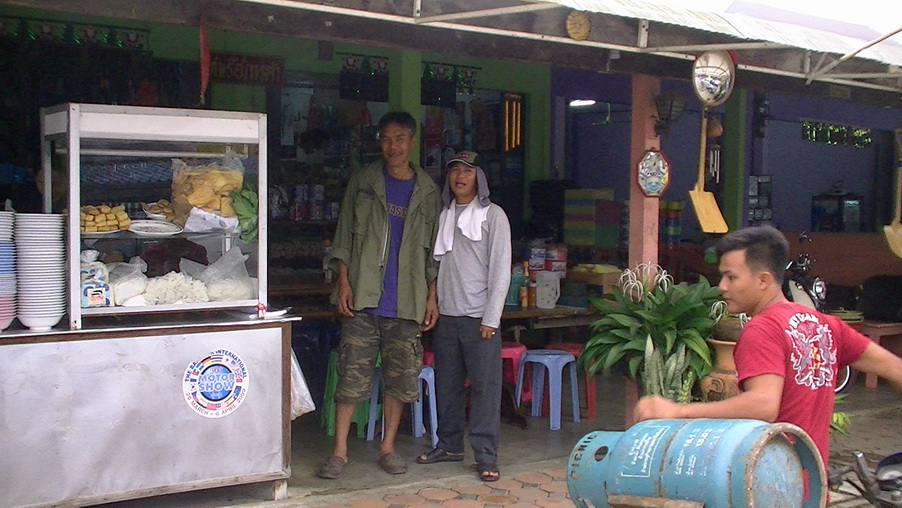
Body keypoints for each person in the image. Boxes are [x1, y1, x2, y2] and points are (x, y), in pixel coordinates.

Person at [635, 225, 902, 470]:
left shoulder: (762, 329)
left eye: (731, 277)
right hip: (812, 486)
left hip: (771, 481)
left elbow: (763, 405)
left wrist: (678, 411)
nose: (722, 287)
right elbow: (895, 369)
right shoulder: (825, 325)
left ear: (763, 280)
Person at [317, 111, 442, 480]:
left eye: (400, 138)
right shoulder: (364, 182)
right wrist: (343, 283)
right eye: (387, 139)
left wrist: (431, 297)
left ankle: (387, 448)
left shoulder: (429, 191)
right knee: (351, 376)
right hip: (365, 298)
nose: (393, 146)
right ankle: (339, 452)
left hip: (407, 301)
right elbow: (343, 239)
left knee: (400, 379)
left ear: (412, 142)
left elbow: (433, 252)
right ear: (380, 143)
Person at [416, 150, 511, 482]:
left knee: (484, 388)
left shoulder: (493, 216)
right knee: (448, 385)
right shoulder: (444, 215)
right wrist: (435, 302)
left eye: (467, 171)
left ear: (479, 178)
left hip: (479, 319)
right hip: (448, 314)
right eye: (454, 170)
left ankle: (486, 455)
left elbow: (501, 271)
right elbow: (438, 266)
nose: (460, 176)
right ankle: (450, 445)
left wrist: (491, 319)